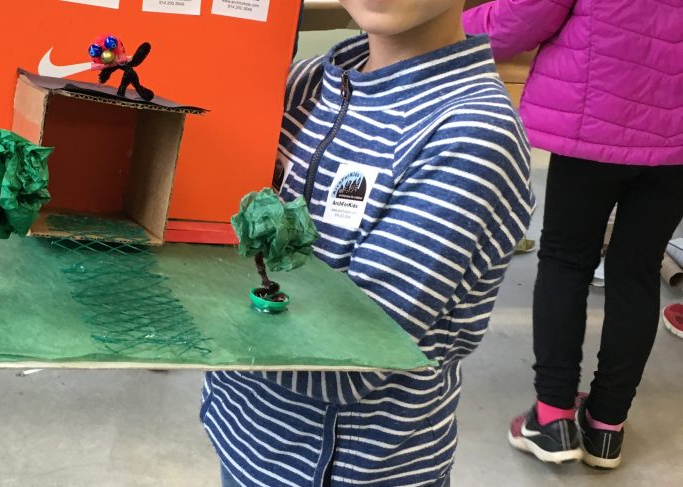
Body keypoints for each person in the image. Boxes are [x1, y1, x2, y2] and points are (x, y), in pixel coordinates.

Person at [201, 0, 533, 485]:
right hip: (245, 432)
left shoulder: (472, 134)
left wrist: (177, 306)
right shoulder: (308, 83)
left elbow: (353, 356)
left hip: (348, 469)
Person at [463, 0, 683, 470]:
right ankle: (607, 426)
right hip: (677, 137)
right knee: (637, 272)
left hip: (595, 113)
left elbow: (522, 17)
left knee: (566, 260)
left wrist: (439, 27)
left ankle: (553, 417)